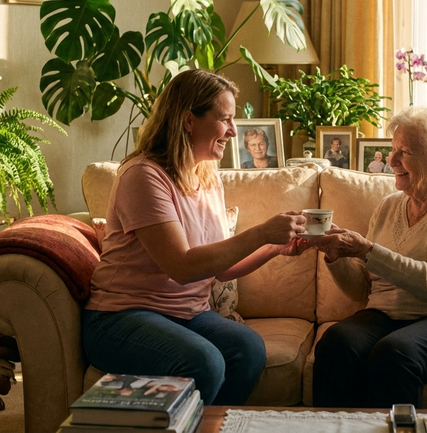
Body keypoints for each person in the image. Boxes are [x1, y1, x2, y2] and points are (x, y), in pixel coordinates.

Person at [81, 69, 309, 406]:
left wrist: (274, 246)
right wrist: (260, 232)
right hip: (122, 317)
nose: (233, 131)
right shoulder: (143, 176)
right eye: (225, 120)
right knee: (205, 360)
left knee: (248, 348)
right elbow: (182, 266)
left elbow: (220, 269)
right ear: (189, 120)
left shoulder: (207, 177)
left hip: (188, 314)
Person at [306, 104, 427, 408]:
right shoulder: (389, 205)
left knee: (395, 353)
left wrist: (366, 249)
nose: (391, 160)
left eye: (404, 152)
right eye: (393, 149)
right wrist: (336, 255)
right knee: (336, 343)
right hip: (388, 315)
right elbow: (362, 290)